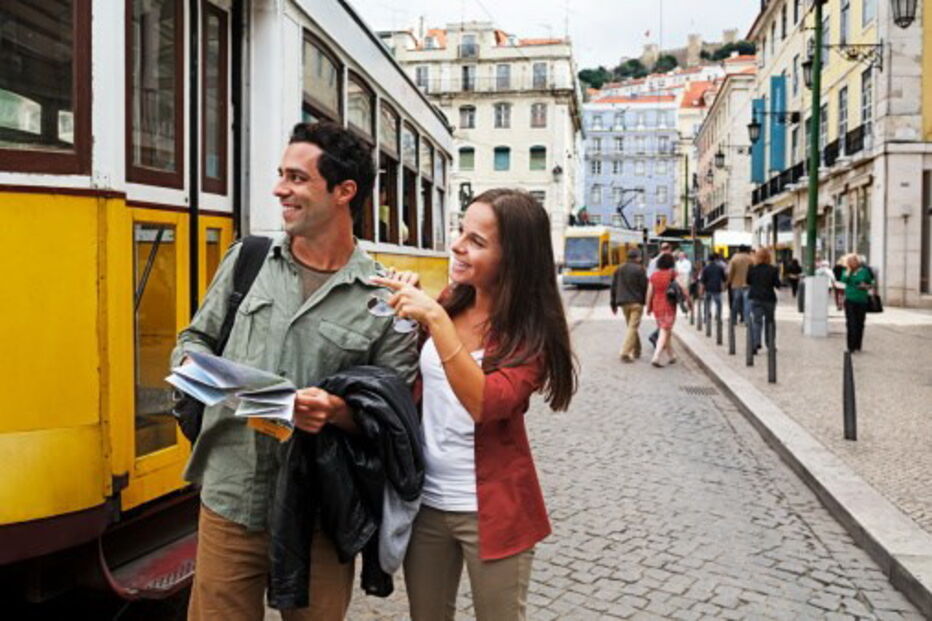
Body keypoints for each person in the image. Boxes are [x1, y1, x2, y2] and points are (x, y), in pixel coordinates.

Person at [172, 121, 419, 620]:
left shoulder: (385, 297)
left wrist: (335, 411)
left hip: (320, 516)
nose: (279, 188)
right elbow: (193, 341)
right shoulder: (249, 259)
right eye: (281, 174)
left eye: (297, 178)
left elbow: (392, 418)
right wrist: (197, 371)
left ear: (344, 191)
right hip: (231, 498)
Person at [372, 189, 578, 621]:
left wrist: (434, 319)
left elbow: (485, 403)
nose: (457, 245)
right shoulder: (451, 300)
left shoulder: (530, 334)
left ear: (513, 259)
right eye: (461, 231)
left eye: (477, 241)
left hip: (495, 509)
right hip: (427, 502)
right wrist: (408, 309)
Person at [646, 252, 689, 367]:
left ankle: (671, 355)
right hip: (669, 304)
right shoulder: (672, 274)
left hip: (656, 304)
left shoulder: (653, 276)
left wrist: (648, 307)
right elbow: (684, 287)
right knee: (665, 330)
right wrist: (688, 300)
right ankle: (656, 356)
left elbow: (649, 293)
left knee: (665, 329)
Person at [610, 248, 648, 362]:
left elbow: (614, 287)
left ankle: (637, 350)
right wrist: (646, 302)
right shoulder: (640, 270)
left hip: (623, 303)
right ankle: (625, 352)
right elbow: (645, 287)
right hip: (636, 303)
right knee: (633, 327)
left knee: (631, 327)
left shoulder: (619, 269)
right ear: (637, 257)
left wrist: (613, 304)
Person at [746, 247, 781, 354]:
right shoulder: (773, 269)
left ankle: (756, 343)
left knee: (757, 321)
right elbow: (777, 284)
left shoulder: (752, 268)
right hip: (769, 298)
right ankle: (770, 344)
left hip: (755, 297)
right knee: (770, 321)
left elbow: (748, 281)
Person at [840, 253, 874, 352]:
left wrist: (867, 286)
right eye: (850, 261)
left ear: (858, 262)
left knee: (860, 323)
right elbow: (843, 280)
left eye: (854, 261)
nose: (852, 263)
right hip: (850, 299)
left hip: (862, 300)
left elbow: (871, 282)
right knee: (851, 323)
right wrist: (848, 271)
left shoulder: (864, 271)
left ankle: (858, 345)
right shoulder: (846, 271)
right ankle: (850, 346)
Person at [726, 245, 753, 324]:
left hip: (736, 284)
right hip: (748, 284)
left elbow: (730, 272)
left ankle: (733, 319)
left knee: (735, 303)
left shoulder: (734, 258)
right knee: (747, 303)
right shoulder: (750, 259)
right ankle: (747, 320)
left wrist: (728, 282)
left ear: (738, 250)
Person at [699, 253, 726, 324]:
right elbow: (723, 279)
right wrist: (723, 288)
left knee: (707, 303)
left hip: (708, 288)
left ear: (708, 260)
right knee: (718, 303)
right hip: (717, 288)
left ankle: (706, 317)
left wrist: (701, 292)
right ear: (715, 259)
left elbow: (702, 281)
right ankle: (719, 317)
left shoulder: (705, 268)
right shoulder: (720, 268)